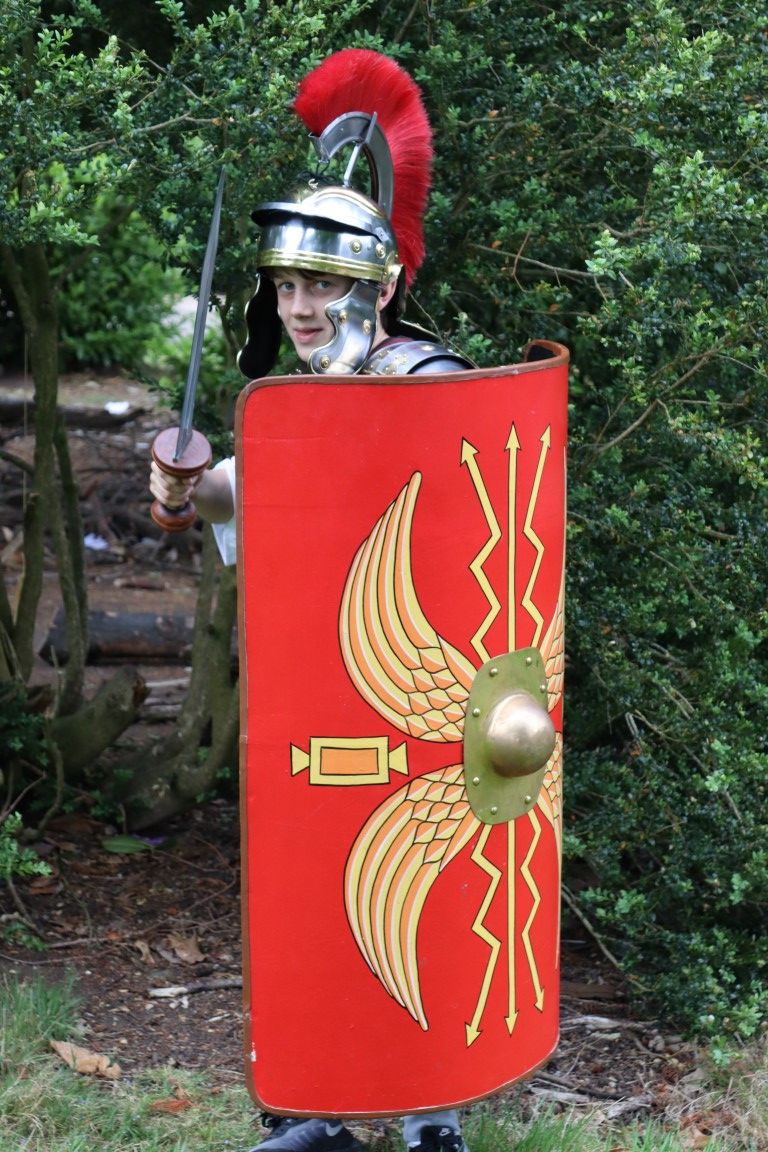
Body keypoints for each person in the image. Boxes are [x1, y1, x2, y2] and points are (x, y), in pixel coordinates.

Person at [150, 49, 472, 1152]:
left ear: (378, 286)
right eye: (286, 284)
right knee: (314, 896)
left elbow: (462, 523)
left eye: (323, 285)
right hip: (318, 693)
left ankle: (433, 1107)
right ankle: (319, 1106)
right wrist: (190, 484)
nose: (299, 305)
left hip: (421, 689)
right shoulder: (288, 401)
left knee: (417, 894)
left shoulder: (431, 383)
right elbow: (259, 487)